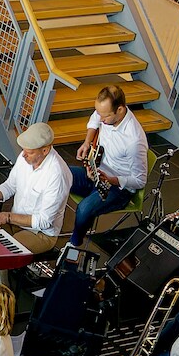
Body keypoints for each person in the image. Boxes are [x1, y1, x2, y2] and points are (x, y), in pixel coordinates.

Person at [0, 122, 71, 257]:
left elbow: (44, 221)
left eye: (29, 152)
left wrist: (7, 217)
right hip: (14, 222)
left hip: (40, 234)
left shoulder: (57, 175)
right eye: (24, 150)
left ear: (45, 150)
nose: (23, 155)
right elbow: (10, 185)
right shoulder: (26, 157)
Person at [69, 85, 148, 246]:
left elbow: (140, 181)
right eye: (99, 113)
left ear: (120, 110)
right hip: (97, 172)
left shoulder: (134, 141)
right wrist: (87, 142)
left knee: (84, 209)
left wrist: (110, 179)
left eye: (104, 116)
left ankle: (74, 245)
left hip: (118, 189)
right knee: (59, 173)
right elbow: (95, 119)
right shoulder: (105, 113)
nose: (101, 119)